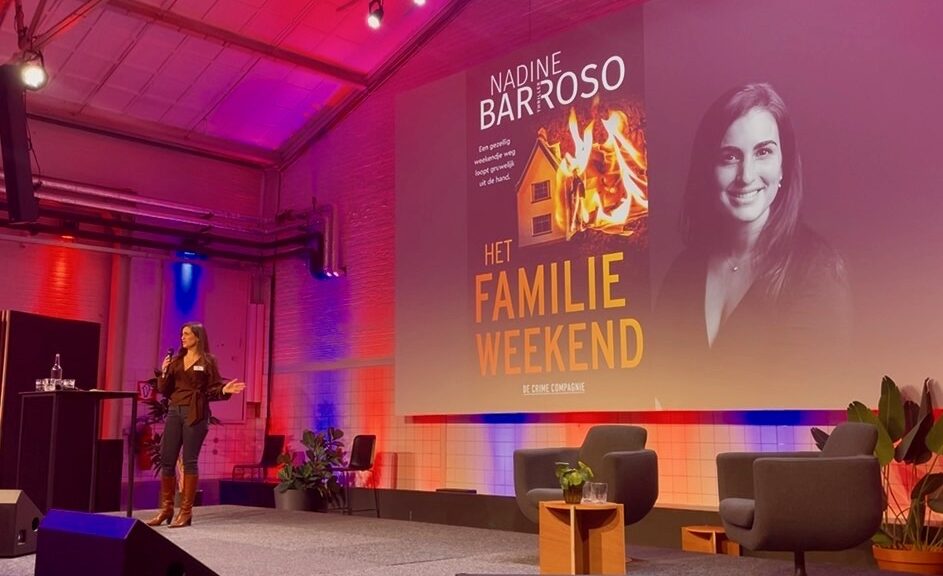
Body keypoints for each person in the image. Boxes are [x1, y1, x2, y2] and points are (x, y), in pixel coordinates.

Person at [656, 83, 851, 378]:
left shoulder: (817, 271)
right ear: (708, 168)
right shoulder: (682, 272)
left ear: (783, 164)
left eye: (763, 152)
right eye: (730, 156)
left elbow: (806, 397)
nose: (746, 175)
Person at [146, 321, 245, 528]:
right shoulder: (176, 360)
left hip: (196, 413)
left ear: (197, 337)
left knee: (189, 461)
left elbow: (211, 390)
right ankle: (166, 509)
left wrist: (224, 390)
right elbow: (164, 389)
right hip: (174, 411)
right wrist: (163, 371)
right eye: (182, 334)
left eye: (187, 334)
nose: (182, 337)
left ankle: (186, 512)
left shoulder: (208, 361)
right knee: (167, 460)